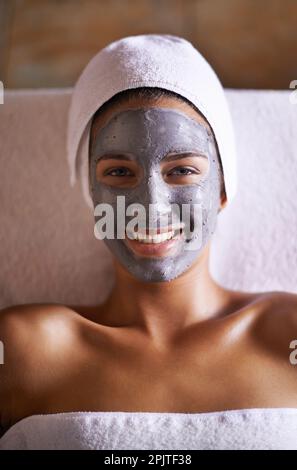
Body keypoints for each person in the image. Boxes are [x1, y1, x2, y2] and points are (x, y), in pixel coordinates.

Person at [1, 34, 297, 450]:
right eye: (119, 173)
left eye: (182, 171)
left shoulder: (288, 336)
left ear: (222, 190)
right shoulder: (23, 349)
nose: (151, 206)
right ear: (91, 194)